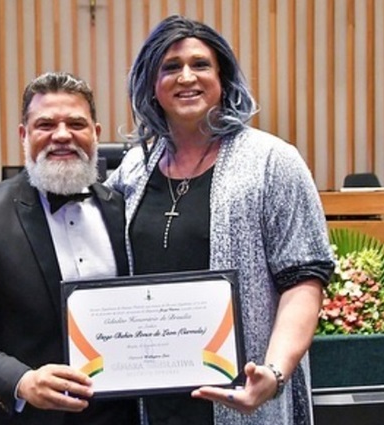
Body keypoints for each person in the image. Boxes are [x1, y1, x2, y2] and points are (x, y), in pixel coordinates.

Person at [107, 15, 334, 425]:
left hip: (243, 396)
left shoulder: (272, 161)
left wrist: (275, 371)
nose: (186, 77)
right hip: (154, 397)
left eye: (201, 64)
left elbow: (304, 278)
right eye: (170, 67)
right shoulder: (134, 169)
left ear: (224, 79)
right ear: (151, 86)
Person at [0, 72, 138, 425]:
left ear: (96, 134)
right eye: (46, 124)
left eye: (76, 123)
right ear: (24, 135)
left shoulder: (126, 210)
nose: (62, 135)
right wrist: (21, 381)